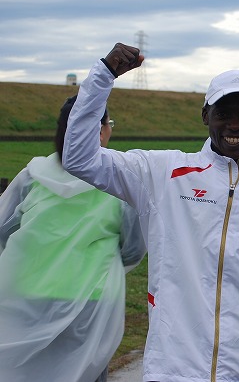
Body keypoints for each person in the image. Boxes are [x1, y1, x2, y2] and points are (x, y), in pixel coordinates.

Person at [62, 45, 239, 382]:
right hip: (174, 369)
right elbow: (79, 158)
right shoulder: (164, 173)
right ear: (205, 115)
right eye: (224, 113)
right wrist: (103, 76)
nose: (235, 124)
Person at [0, 96, 145, 382]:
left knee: (30, 373)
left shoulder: (32, 176)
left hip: (32, 294)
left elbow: (5, 228)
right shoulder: (117, 180)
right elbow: (133, 247)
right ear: (101, 130)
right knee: (85, 373)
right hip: (91, 301)